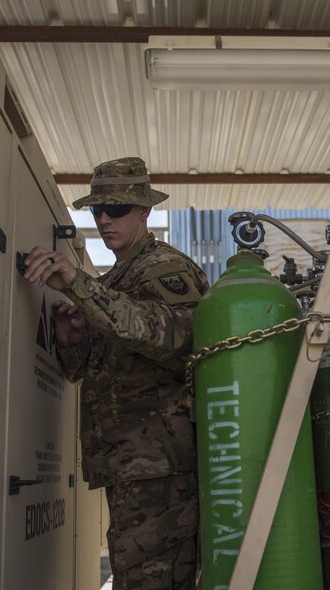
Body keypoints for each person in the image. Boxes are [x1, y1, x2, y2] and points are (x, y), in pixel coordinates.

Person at [23, 157, 208, 589]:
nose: (105, 219)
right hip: (132, 464)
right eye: (97, 210)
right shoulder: (118, 279)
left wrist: (78, 284)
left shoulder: (163, 267)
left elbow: (180, 338)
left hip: (159, 467)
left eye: (118, 209)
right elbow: (99, 369)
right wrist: (73, 340)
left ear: (145, 211)